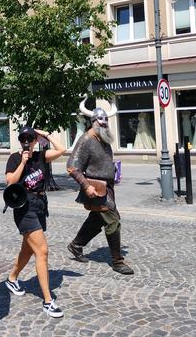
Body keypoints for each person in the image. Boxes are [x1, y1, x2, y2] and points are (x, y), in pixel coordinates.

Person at [66, 101, 134, 275]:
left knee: (97, 219)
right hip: (96, 189)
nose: (104, 124)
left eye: (106, 122)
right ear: (94, 121)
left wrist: (114, 171)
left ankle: (76, 245)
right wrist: (86, 186)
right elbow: (72, 167)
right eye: (101, 121)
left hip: (107, 187)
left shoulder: (103, 139)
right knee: (113, 221)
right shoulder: (87, 139)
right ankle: (118, 262)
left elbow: (101, 162)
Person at [5, 126, 66, 318]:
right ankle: (48, 301)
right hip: (24, 207)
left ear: (34, 141)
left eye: (30, 139)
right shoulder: (15, 158)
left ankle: (12, 278)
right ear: (20, 140)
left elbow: (62, 150)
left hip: (40, 204)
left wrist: (44, 135)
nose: (27, 142)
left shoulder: (41, 156)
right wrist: (22, 163)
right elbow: (10, 182)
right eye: (24, 138)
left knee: (29, 249)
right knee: (42, 251)